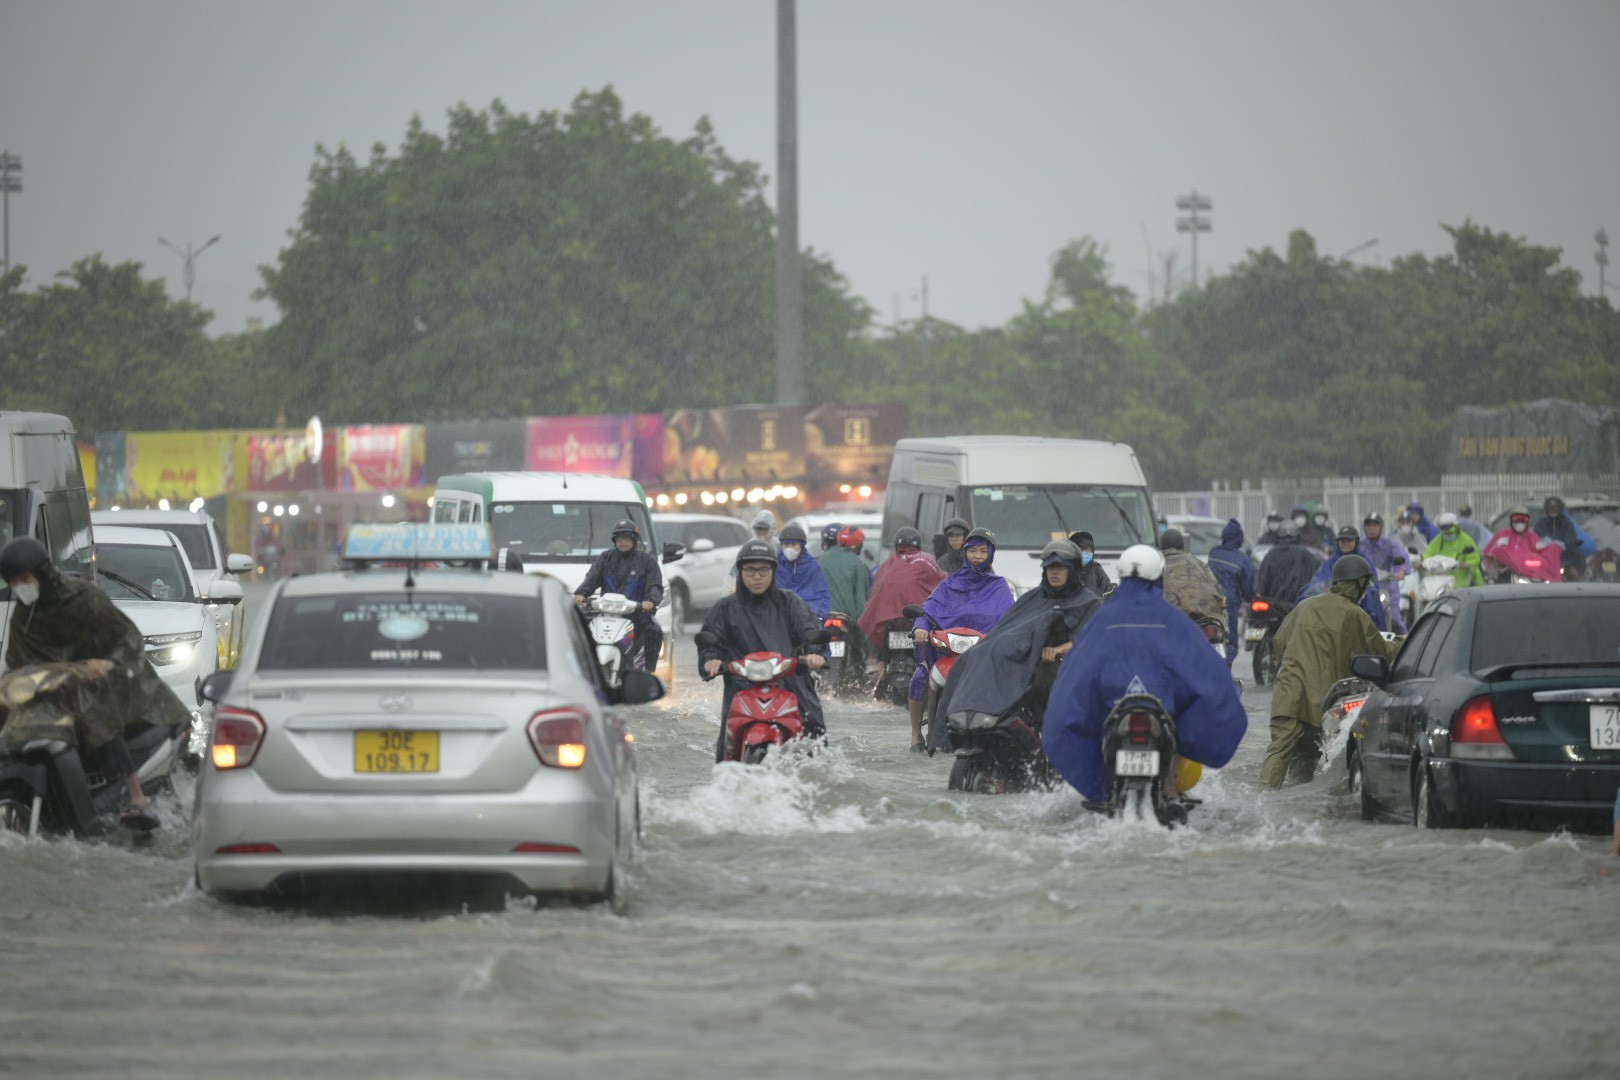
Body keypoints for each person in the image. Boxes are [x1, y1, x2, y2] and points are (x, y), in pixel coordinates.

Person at [1, 536, 192, 831]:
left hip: (108, 681)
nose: (20, 587)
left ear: (42, 573)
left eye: (24, 578)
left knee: (91, 706)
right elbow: (16, 663)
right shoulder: (24, 618)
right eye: (14, 582)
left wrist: (106, 665)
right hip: (56, 689)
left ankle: (136, 794)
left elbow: (127, 639)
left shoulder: (83, 599)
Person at [1042, 544, 1248, 803]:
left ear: (1122, 575)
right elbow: (1206, 671)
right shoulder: (1174, 620)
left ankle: (1110, 791)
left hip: (1114, 714)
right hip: (1160, 715)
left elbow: (1076, 675)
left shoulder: (1103, 619)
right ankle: (1170, 788)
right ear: (1159, 575)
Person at [928, 539, 1103, 752]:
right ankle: (961, 728)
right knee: (971, 659)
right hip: (1025, 660)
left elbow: (1092, 639)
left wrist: (1059, 649)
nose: (1054, 572)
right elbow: (1008, 629)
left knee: (1041, 684)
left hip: (1061, 668)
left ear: (1072, 569)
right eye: (1049, 567)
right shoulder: (1033, 598)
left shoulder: (1088, 602)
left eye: (1060, 567)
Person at [1264, 554, 1400, 788]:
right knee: (1307, 767)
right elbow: (1378, 650)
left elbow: (1279, 642)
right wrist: (1404, 642)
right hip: (1322, 704)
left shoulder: (1305, 606)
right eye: (1365, 585)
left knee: (1278, 755)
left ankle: (1262, 806)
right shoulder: (1354, 614)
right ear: (1357, 584)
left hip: (1288, 696)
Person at [698, 539, 827, 761]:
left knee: (813, 726)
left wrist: (815, 653)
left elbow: (810, 629)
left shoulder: (790, 602)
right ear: (740, 572)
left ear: (773, 571)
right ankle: (724, 779)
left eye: (763, 569)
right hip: (741, 684)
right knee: (726, 739)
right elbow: (710, 639)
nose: (757, 576)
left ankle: (819, 774)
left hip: (790, 681)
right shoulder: (726, 608)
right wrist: (711, 659)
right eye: (750, 570)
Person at [910, 528, 1014, 752]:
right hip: (946, 653)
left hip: (984, 656)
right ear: (965, 552)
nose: (977, 556)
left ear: (991, 554)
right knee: (920, 676)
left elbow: (1012, 620)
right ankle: (916, 735)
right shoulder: (949, 585)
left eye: (983, 551)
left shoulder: (999, 588)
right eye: (973, 551)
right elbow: (927, 612)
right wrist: (920, 629)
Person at [574, 519, 664, 670]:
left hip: (637, 615)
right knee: (579, 630)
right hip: (606, 614)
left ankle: (648, 671)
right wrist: (581, 593)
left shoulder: (647, 561)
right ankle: (583, 669)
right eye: (619, 538)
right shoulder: (605, 558)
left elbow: (655, 585)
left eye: (627, 538)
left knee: (654, 630)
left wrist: (650, 600)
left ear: (635, 540)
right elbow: (591, 578)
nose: (623, 541)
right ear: (614, 540)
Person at [1297, 526, 1387, 630]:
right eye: (1342, 540)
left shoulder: (1364, 560)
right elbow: (1318, 581)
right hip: (1333, 609)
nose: (1345, 543)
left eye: (1349, 540)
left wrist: (1360, 594)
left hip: (1360, 606)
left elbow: (1372, 585)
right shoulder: (1331, 561)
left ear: (1356, 541)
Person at [821, 525, 873, 671]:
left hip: (823, 616)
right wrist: (865, 639)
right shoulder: (857, 564)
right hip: (846, 619)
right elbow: (861, 601)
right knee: (858, 656)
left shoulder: (822, 559)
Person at [1206, 519, 1256, 664]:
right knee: (1231, 640)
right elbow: (1248, 588)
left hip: (1209, 601)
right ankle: (1225, 669)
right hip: (1230, 604)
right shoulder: (1243, 559)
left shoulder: (1214, 553)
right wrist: (1250, 598)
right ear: (1240, 539)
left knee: (1211, 636)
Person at [1157, 529, 1228, 630]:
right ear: (1182, 545)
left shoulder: (1156, 564)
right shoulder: (1198, 563)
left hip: (1166, 624)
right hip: (1202, 622)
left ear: (1161, 546)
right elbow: (1215, 588)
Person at [1359, 511, 1410, 635]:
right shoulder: (1359, 545)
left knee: (1395, 619)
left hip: (1387, 587)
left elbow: (1401, 558)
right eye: (1369, 525)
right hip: (1365, 588)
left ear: (1381, 527)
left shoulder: (1390, 544)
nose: (1372, 529)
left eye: (1375, 525)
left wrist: (1401, 572)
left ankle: (1403, 643)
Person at [1481, 506, 1562, 583]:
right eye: (1517, 520)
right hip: (1508, 573)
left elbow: (1540, 550)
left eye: (1523, 520)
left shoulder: (1532, 536)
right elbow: (1493, 552)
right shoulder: (1504, 534)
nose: (1520, 523)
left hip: (1532, 574)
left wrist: (1553, 548)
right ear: (1511, 521)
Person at [1255, 521, 1318, 615]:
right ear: (1297, 537)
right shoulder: (1307, 556)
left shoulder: (1270, 556)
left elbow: (1262, 584)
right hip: (1300, 610)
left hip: (1273, 611)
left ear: (1278, 537)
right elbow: (1318, 581)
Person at [772, 523, 831, 622]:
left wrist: (814, 614)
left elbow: (821, 595)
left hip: (806, 618)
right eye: (786, 545)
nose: (789, 549)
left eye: (794, 544)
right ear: (781, 545)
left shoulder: (812, 565)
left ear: (802, 545)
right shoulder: (774, 564)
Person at [1421, 512, 1485, 590]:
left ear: (1456, 527)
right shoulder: (1438, 541)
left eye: (1450, 533)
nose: (1448, 535)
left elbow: (1475, 559)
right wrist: (1421, 561)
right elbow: (1427, 554)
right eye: (1445, 533)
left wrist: (1460, 565)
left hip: (1461, 586)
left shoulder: (1466, 540)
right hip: (1439, 585)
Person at [1533, 496, 1586, 580]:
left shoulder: (1567, 524)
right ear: (1546, 509)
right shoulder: (1541, 524)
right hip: (1545, 559)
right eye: (1550, 508)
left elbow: (1570, 539)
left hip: (1565, 559)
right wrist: (1546, 544)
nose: (1553, 511)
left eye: (1555, 508)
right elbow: (1535, 539)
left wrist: (1563, 545)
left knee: (1574, 570)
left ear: (1560, 509)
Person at [1067, 531, 1116, 599]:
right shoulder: (1064, 570)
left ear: (1092, 550)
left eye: (1086, 549)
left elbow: (1108, 594)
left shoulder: (1096, 570)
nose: (1082, 553)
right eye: (1078, 549)